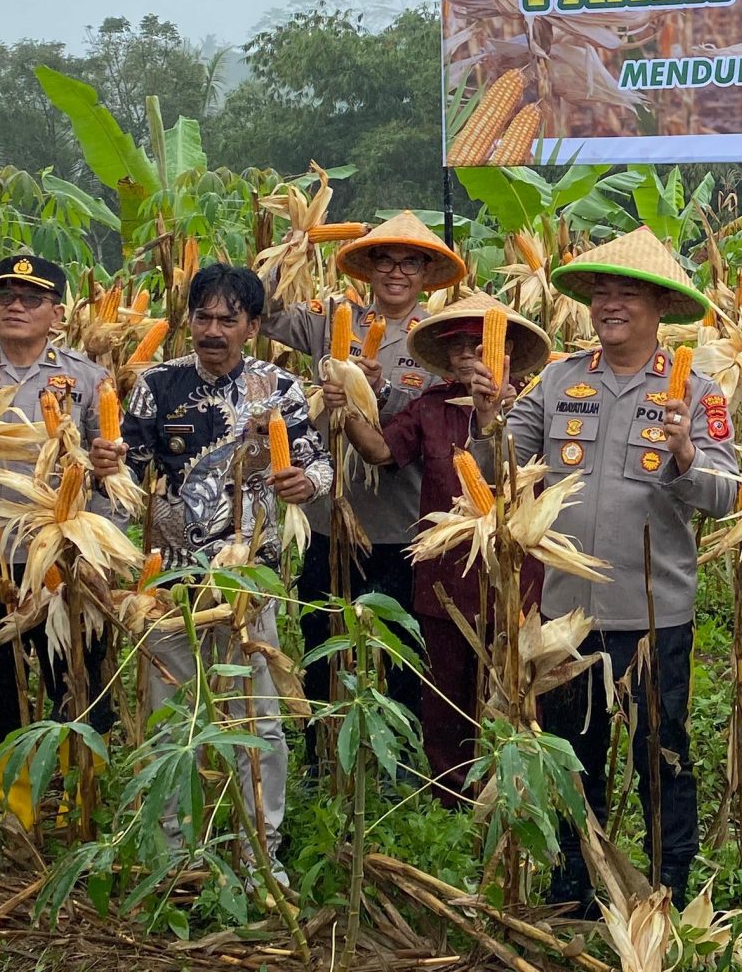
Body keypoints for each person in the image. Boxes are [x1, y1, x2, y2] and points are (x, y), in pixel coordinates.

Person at [480, 227, 740, 909]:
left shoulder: (699, 392)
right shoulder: (559, 381)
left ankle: (668, 883)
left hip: (655, 613)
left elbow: (726, 492)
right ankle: (576, 879)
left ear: (659, 307)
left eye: (627, 293)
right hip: (568, 616)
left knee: (661, 755)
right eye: (601, 292)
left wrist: (686, 452)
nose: (611, 304)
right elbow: (501, 467)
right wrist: (487, 417)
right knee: (572, 755)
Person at [121, 263, 327, 858]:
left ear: (254, 326)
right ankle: (173, 851)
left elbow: (319, 464)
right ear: (188, 319)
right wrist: (113, 472)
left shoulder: (279, 388)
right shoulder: (156, 386)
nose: (213, 331)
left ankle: (260, 850)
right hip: (172, 583)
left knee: (258, 721)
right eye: (202, 317)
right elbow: (130, 475)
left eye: (227, 320)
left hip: (247, 581)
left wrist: (303, 484)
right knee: (171, 720)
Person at [330, 291, 548, 798]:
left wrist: (499, 412)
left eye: (484, 345)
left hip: (513, 577)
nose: (473, 355)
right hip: (445, 576)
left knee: (513, 685)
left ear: (508, 354)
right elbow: (383, 450)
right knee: (446, 693)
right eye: (461, 348)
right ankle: (450, 796)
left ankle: (513, 791)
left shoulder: (534, 406)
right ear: (448, 361)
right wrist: (349, 405)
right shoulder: (429, 408)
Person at [264, 212, 467, 730]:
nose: (396, 273)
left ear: (425, 275)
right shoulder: (333, 316)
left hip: (403, 521)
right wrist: (289, 251)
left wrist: (374, 394)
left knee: (400, 648)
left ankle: (397, 752)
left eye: (410, 264)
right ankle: (323, 747)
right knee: (320, 636)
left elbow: (437, 420)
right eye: (385, 261)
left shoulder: (436, 340)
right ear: (369, 269)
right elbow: (260, 312)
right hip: (329, 514)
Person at [0, 253, 126, 744]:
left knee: (76, 681)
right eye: (5, 296)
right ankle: (11, 799)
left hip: (61, 554)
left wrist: (101, 545)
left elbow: (112, 465)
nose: (17, 306)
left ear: (57, 315)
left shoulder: (88, 377)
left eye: (33, 299)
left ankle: (79, 789)